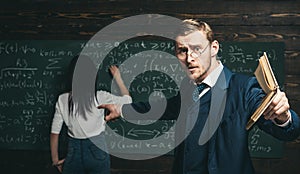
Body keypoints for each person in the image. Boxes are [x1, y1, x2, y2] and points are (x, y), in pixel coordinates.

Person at [98, 19, 300, 174]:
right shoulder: (188, 91)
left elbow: (289, 131)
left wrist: (283, 117)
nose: (189, 58)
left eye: (196, 48)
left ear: (214, 48)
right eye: (182, 51)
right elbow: (158, 108)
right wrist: (121, 109)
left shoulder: (243, 88)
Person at [50, 55, 132, 174]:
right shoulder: (99, 97)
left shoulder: (63, 99)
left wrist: (55, 161)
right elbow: (128, 101)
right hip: (97, 151)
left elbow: (54, 132)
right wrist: (118, 78)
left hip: (74, 153)